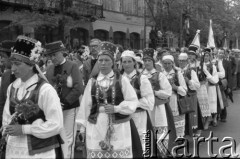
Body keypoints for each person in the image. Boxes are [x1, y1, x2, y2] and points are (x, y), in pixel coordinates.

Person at [76, 41, 143, 158]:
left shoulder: (121, 80)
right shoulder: (92, 82)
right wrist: (82, 127)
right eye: (100, 60)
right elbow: (86, 105)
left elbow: (133, 101)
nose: (103, 63)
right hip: (96, 125)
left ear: (113, 62)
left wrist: (117, 108)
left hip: (118, 126)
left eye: (106, 60)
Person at [2, 35, 64, 158]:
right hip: (14, 149)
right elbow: (6, 117)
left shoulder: (45, 90)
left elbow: (56, 124)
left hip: (40, 152)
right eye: (12, 64)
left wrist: (25, 129)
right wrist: (7, 128)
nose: (13, 69)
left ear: (31, 65)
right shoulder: (13, 87)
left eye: (17, 64)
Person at [45, 41, 83, 158]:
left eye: (54, 55)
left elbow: (78, 88)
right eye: (50, 56)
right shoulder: (50, 68)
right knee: (56, 137)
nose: (52, 58)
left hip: (70, 107)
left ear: (61, 52)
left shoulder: (72, 65)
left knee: (68, 138)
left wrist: (64, 102)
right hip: (54, 108)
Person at [120, 50, 155, 153]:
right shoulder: (118, 78)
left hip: (139, 116)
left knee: (141, 142)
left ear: (134, 62)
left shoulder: (142, 78)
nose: (126, 64)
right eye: (124, 62)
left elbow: (149, 101)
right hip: (122, 116)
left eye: (129, 61)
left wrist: (132, 101)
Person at [142, 48, 175, 157]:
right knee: (146, 129)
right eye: (145, 60)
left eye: (149, 60)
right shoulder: (140, 76)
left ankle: (162, 152)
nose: (146, 63)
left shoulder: (159, 75)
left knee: (159, 129)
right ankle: (149, 152)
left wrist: (155, 92)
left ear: (153, 62)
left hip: (158, 107)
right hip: (145, 107)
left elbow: (168, 91)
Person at [162, 54, 187, 138]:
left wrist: (175, 87)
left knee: (176, 122)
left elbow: (185, 90)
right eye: (165, 63)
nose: (167, 65)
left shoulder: (177, 73)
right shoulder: (160, 74)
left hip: (175, 100)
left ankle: (178, 139)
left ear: (172, 63)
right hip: (164, 101)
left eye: (169, 63)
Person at [178, 52, 203, 137]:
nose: (181, 62)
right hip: (180, 96)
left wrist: (188, 81)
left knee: (193, 114)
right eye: (180, 61)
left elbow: (197, 85)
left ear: (186, 61)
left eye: (183, 61)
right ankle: (184, 133)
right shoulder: (177, 71)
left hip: (190, 95)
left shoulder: (191, 71)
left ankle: (196, 130)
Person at [0, 40, 15, 129]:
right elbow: (1, 102)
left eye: (3, 57)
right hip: (6, 123)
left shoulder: (25, 75)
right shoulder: (5, 75)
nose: (1, 60)